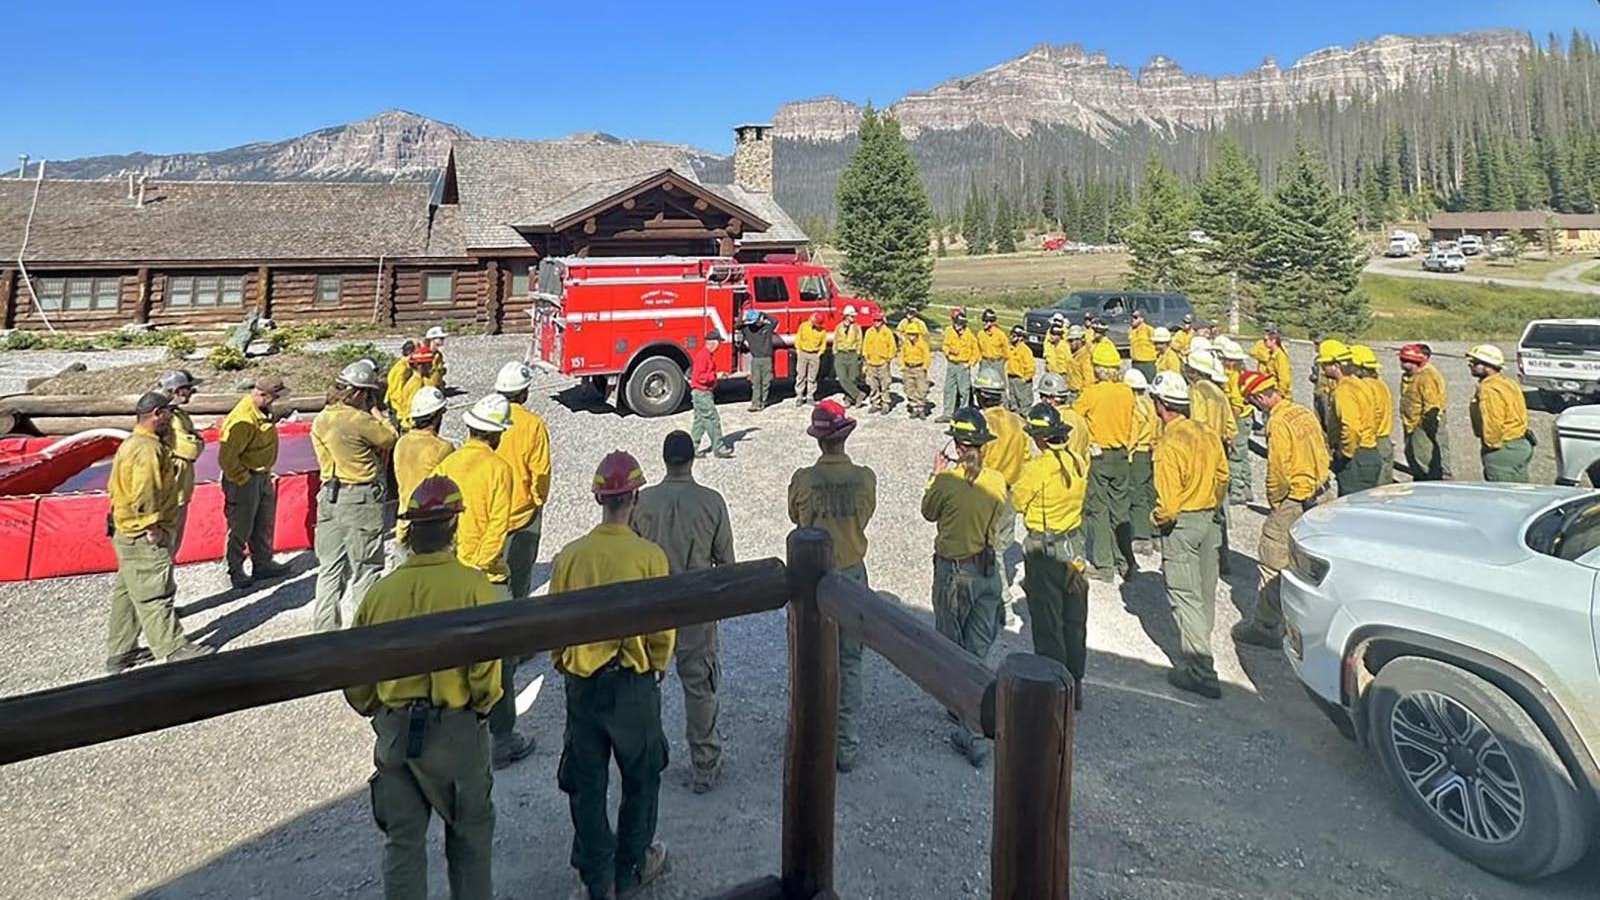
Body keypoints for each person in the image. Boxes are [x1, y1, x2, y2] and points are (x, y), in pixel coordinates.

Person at [344, 475, 500, 900]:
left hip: (397, 734)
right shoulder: (474, 587)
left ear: (410, 532)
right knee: (469, 837)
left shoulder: (381, 594)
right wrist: (483, 705)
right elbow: (486, 670)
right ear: (454, 526)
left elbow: (357, 673)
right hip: (456, 731)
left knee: (403, 846)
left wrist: (376, 706)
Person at [552, 451, 674, 900]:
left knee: (586, 783)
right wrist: (657, 663)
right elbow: (662, 628)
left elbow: (556, 621)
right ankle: (633, 865)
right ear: (636, 497)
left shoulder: (571, 556)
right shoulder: (649, 557)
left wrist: (563, 660)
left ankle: (596, 877)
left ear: (598, 498)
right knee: (642, 775)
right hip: (633, 683)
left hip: (583, 685)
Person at [433, 394, 532, 769]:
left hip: (450, 570)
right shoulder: (498, 469)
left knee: (455, 656)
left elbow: (436, 513)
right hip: (486, 576)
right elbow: (498, 526)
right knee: (499, 660)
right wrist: (478, 565)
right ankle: (502, 738)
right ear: (498, 435)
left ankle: (459, 733)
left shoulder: (449, 463)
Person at [633, 431, 734, 793]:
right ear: (692, 459)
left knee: (644, 687)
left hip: (654, 606)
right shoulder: (711, 501)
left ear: (664, 460)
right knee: (700, 686)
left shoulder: (641, 503)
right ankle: (704, 764)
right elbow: (726, 563)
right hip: (696, 604)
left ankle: (643, 762)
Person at [787, 402, 878, 772]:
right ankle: (846, 746)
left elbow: (796, 517)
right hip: (853, 573)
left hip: (814, 577)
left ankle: (811, 737)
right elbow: (866, 516)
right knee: (850, 661)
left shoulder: (804, 480)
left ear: (819, 440)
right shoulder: (865, 478)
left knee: (810, 660)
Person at [921, 408, 1007, 766]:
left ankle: (967, 723)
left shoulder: (947, 483)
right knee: (978, 647)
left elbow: (928, 512)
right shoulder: (997, 481)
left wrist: (935, 474)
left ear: (956, 446)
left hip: (955, 572)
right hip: (986, 570)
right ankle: (976, 711)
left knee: (951, 645)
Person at [105, 391, 214, 673]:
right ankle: (173, 647)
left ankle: (121, 652)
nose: (171, 417)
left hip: (125, 529)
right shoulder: (148, 449)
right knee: (156, 590)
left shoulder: (134, 442)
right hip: (142, 532)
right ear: (157, 414)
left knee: (128, 591)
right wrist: (152, 527)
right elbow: (145, 492)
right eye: (168, 413)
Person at [1230, 372, 1331, 649]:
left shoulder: (1278, 422)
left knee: (1273, 557)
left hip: (1294, 498)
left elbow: (1277, 469)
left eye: (1253, 400)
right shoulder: (1302, 412)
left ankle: (1265, 625)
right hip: (1320, 491)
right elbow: (1322, 449)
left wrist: (1276, 501)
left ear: (1260, 397)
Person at [1148, 372, 1228, 699]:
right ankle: (1201, 645)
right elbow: (1223, 477)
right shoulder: (1208, 434)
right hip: (1209, 519)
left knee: (1185, 595)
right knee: (1205, 591)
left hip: (1182, 524)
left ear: (1162, 405)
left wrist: (1154, 520)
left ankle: (1201, 670)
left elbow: (1167, 506)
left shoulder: (1169, 444)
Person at [310, 362, 399, 629]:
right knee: (366, 567)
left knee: (330, 569)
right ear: (359, 392)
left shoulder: (322, 419)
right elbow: (390, 438)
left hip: (329, 495)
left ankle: (324, 632)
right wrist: (377, 413)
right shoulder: (359, 420)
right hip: (359, 497)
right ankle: (365, 632)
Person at [1012, 403, 1089, 692]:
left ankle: (1053, 688)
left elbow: (1019, 502)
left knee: (1048, 620)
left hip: (1045, 546)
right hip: (1073, 541)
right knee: (1074, 617)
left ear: (1041, 437)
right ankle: (1075, 682)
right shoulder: (1077, 460)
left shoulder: (1038, 468)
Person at [219, 374, 289, 589]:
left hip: (261, 474)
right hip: (244, 479)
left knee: (262, 522)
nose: (275, 401)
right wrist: (244, 478)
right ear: (261, 394)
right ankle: (236, 570)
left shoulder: (263, 412)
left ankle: (263, 563)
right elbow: (227, 459)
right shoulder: (243, 419)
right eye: (273, 397)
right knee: (241, 527)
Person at [1073, 342, 1135, 581]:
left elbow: (1076, 415)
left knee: (1098, 509)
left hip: (1099, 455)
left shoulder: (1092, 392)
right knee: (1120, 510)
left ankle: (1104, 565)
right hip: (1121, 454)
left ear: (1098, 368)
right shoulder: (1127, 391)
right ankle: (1126, 561)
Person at [494, 362, 553, 600]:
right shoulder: (532, 424)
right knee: (520, 574)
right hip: (523, 511)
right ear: (523, 392)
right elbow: (541, 471)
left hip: (491, 509)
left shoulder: (487, 417)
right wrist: (538, 500)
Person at [974, 370, 1030, 591]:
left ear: (980, 394)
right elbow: (1026, 458)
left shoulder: (983, 423)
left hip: (986, 492)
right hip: (1010, 491)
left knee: (985, 548)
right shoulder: (1017, 422)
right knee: (1000, 546)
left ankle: (998, 598)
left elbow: (976, 462)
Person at [1183, 349, 1238, 572]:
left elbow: (1198, 423)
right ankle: (1222, 557)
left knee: (1200, 503)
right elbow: (1231, 427)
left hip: (1203, 450)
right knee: (1219, 504)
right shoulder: (1218, 391)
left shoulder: (1197, 392)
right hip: (1220, 450)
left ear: (1194, 371)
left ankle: (1199, 555)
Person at [391, 387, 453, 558]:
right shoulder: (442, 448)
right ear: (437, 416)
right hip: (431, 525)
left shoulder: (402, 442)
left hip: (404, 522)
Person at [1318, 340, 1381, 495]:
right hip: (1370, 451)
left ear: (1336, 365)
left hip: (1356, 458)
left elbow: (1351, 426)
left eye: (1324, 364)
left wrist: (1345, 453)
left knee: (1352, 503)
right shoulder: (1361, 384)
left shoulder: (1344, 390)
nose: (1322, 369)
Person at [1468, 344, 1533, 482]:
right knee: (1520, 492)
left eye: (1474, 363)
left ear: (1486, 365)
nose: (1470, 365)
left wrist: (1491, 446)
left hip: (1504, 448)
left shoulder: (1489, 389)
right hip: (1520, 443)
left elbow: (1492, 420)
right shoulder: (1508, 382)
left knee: (1503, 495)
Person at [157, 369, 205, 554]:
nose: (193, 392)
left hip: (180, 487)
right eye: (189, 389)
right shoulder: (170, 417)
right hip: (172, 489)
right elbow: (191, 449)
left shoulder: (178, 414)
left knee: (173, 542)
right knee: (167, 543)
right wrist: (197, 440)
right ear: (177, 390)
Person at [1399, 343, 1451, 480]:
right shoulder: (1410, 376)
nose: (1403, 364)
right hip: (1411, 423)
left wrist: (1424, 427)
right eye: (1402, 360)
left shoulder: (1427, 377)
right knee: (1414, 456)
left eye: (1406, 361)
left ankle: (1434, 483)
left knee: (1426, 459)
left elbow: (1431, 405)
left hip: (1422, 425)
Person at [1216, 337, 1255, 505]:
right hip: (1244, 417)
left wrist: (1230, 423)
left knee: (1236, 454)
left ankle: (1238, 491)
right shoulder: (1236, 373)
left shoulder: (1235, 376)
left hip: (1239, 417)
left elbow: (1236, 404)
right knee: (1243, 452)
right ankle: (1246, 487)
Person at [1351, 345, 1396, 485]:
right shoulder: (1380, 383)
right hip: (1384, 439)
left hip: (1374, 441)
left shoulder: (1365, 387)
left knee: (1374, 490)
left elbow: (1371, 416)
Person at [1125, 369, 1158, 552]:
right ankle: (1155, 531)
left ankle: (1141, 535)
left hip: (1137, 453)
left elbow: (1133, 435)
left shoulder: (1134, 408)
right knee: (1149, 492)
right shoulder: (1150, 404)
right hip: (1150, 452)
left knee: (1136, 494)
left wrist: (1127, 453)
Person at [689, 332, 733, 458]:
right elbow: (700, 377)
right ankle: (719, 448)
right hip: (702, 392)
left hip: (698, 392)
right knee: (713, 419)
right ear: (713, 343)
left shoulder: (704, 354)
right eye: (719, 342)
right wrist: (716, 376)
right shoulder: (704, 356)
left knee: (700, 421)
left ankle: (692, 448)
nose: (719, 346)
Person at [936, 311, 979, 422]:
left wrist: (969, 364)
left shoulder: (970, 335)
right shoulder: (949, 331)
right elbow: (945, 345)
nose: (957, 326)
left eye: (959, 323)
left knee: (964, 391)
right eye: (955, 323)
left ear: (964, 324)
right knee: (949, 389)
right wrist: (948, 352)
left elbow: (976, 352)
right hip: (952, 364)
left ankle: (963, 414)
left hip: (963, 366)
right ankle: (947, 414)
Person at [388, 346, 436, 430]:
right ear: (420, 365)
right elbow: (410, 407)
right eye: (429, 365)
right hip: (411, 425)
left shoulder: (422, 380)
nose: (431, 367)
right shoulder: (415, 384)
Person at [740, 309, 778, 412]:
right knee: (758, 383)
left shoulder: (762, 328)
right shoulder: (749, 329)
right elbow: (774, 321)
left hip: (762, 359)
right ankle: (756, 403)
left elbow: (775, 321)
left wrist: (758, 315)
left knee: (764, 382)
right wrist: (763, 314)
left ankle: (761, 402)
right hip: (760, 359)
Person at [861, 311, 898, 415]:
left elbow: (892, 347)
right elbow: (865, 346)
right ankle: (875, 404)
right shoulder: (869, 332)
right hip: (871, 362)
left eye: (878, 320)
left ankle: (886, 404)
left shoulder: (887, 332)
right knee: (873, 385)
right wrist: (866, 359)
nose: (876, 322)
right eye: (875, 320)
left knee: (885, 384)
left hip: (883, 363)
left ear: (882, 321)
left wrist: (888, 359)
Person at [897, 315, 932, 418]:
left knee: (922, 389)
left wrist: (925, 367)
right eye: (909, 334)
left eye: (913, 334)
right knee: (909, 388)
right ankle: (914, 407)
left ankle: (921, 408)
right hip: (908, 368)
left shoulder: (922, 344)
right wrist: (902, 366)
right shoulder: (906, 344)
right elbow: (902, 355)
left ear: (917, 335)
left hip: (919, 368)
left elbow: (927, 356)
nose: (911, 336)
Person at [1249, 325, 1294, 402]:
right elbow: (1252, 352)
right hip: (1270, 394)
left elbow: (1285, 379)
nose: (1264, 342)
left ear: (1274, 340)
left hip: (1280, 397)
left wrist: (1280, 394)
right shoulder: (1270, 353)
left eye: (1266, 340)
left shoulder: (1280, 356)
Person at [832, 305, 864, 407]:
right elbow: (835, 340)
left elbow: (860, 340)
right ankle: (858, 394)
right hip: (840, 354)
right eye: (851, 316)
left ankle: (849, 399)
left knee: (852, 378)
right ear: (846, 316)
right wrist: (835, 352)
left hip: (852, 353)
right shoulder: (838, 327)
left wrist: (858, 353)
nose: (853, 318)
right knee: (842, 378)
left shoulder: (856, 327)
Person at [794, 312, 828, 406]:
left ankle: (810, 396)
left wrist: (819, 354)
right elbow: (798, 339)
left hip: (814, 355)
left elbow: (823, 344)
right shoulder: (803, 326)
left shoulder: (822, 331)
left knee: (812, 377)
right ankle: (799, 396)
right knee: (801, 376)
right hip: (803, 353)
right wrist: (798, 351)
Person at [1005, 325, 1036, 412]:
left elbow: (1031, 367)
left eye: (1014, 335)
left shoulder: (1025, 350)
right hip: (1011, 378)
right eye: (1011, 335)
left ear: (1021, 337)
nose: (1011, 337)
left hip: (1021, 380)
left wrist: (1025, 379)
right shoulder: (1010, 348)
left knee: (1024, 404)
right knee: (1013, 403)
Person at [385, 340, 417, 419]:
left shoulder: (407, 366)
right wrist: (403, 412)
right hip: (398, 409)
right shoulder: (401, 369)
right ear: (410, 353)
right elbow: (397, 392)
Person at [1041, 316, 1073, 384]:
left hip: (1061, 375)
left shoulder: (1064, 346)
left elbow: (1069, 361)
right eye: (1052, 334)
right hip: (1050, 373)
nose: (1053, 336)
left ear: (1060, 335)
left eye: (1056, 334)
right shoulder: (1049, 345)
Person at [1127, 309, 1158, 381]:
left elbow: (1157, 344)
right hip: (1136, 362)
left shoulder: (1149, 329)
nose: (1132, 319)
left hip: (1148, 363)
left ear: (1142, 319)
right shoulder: (1131, 330)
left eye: (1135, 317)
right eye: (1131, 317)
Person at [1067, 325, 1095, 400]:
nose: (1071, 343)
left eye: (1074, 340)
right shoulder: (1074, 355)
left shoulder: (1085, 357)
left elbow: (1089, 380)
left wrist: (1083, 396)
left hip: (1080, 393)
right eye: (1070, 340)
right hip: (1072, 391)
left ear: (1081, 340)